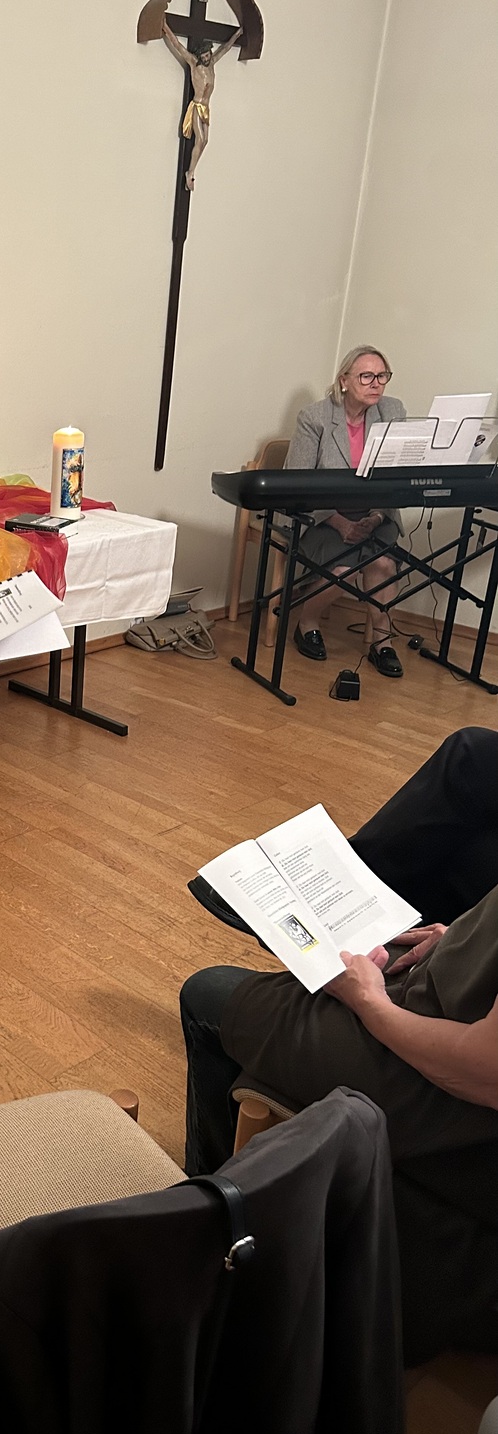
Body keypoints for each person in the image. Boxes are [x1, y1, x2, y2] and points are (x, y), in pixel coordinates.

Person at [180, 727, 498, 1365]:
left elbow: (484, 1071)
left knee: (207, 996)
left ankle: (210, 1226)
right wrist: (466, 935)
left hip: (456, 1086)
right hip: (450, 1014)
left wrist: (370, 1003)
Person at [286, 344, 406, 677]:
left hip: (375, 513)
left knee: (382, 563)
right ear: (344, 380)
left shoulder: (392, 411)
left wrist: (377, 516)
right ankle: (307, 623)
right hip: (323, 515)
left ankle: (382, 642)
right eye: (366, 376)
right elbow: (298, 483)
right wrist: (339, 523)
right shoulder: (315, 417)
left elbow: (398, 476)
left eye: (382, 376)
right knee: (343, 571)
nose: (376, 384)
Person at [161, 20, 243, 189]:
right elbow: (178, 46)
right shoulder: (194, 64)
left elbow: (225, 48)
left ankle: (192, 170)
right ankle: (190, 173)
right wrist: (165, 27)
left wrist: (237, 34)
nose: (206, 58)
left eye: (207, 55)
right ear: (198, 57)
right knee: (200, 139)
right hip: (197, 106)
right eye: (203, 56)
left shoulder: (212, 63)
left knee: (206, 141)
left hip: (206, 108)